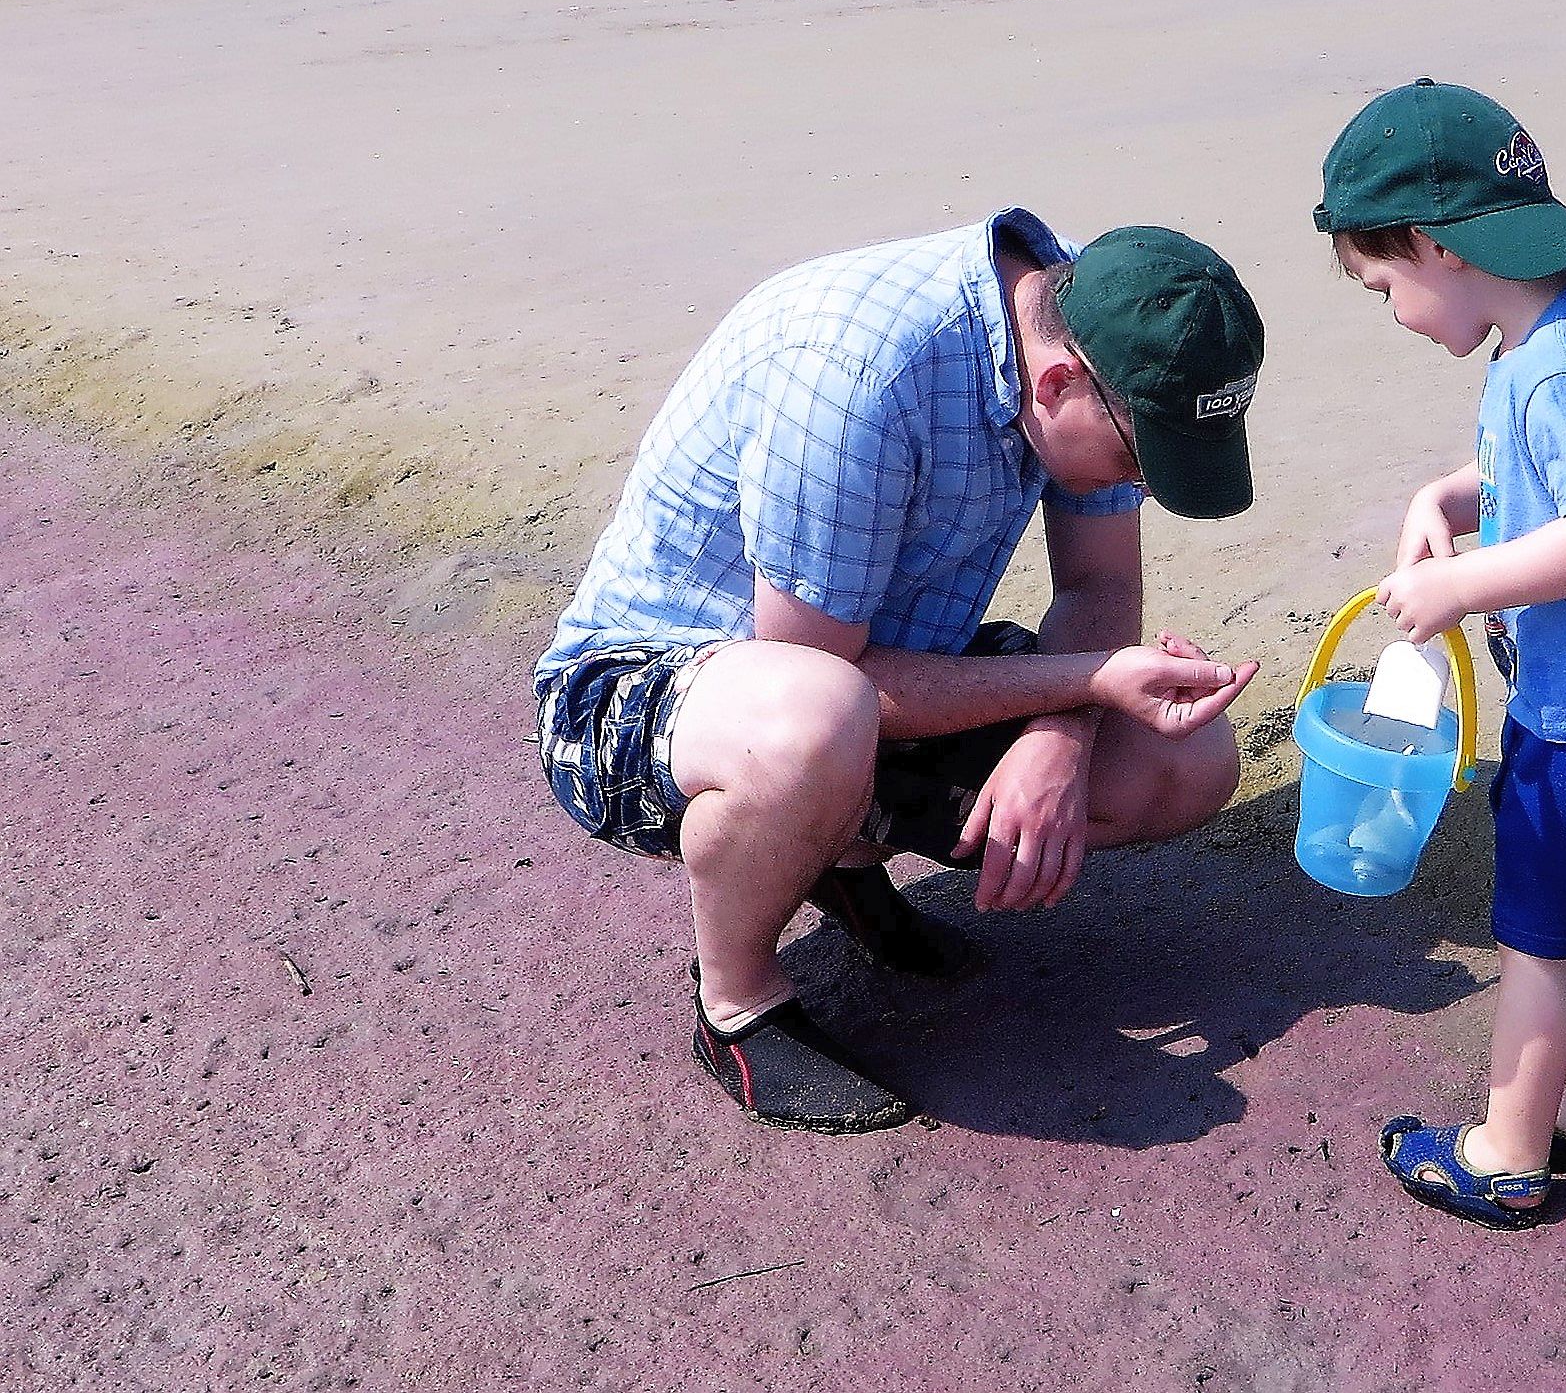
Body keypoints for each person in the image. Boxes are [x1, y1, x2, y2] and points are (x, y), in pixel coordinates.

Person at [533, 211, 1265, 1134]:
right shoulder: (855, 373)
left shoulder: (1103, 318)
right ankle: (737, 1002)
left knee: (1184, 760)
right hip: (654, 692)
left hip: (858, 675)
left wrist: (1061, 734)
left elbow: (1100, 584)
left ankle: (839, 860)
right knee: (816, 721)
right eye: (1138, 459)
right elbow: (817, 668)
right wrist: (1081, 683)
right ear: (1056, 385)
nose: (1145, 486)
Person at [1314, 81, 1566, 1227]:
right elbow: (1551, 474)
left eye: (1383, 287)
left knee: (1534, 942)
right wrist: (1446, 499)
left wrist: (1458, 584)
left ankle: (1505, 1153)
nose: (1393, 313)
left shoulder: (1547, 371)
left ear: (1435, 245)